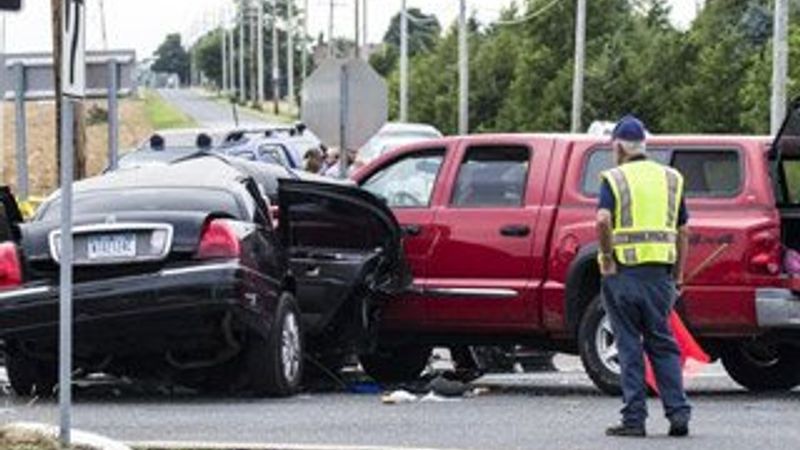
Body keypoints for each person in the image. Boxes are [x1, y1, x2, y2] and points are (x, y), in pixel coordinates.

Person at [596, 115, 692, 438]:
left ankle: (634, 420)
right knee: (663, 344)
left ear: (620, 146)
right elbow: (684, 230)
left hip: (623, 275)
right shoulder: (672, 178)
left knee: (628, 346)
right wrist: (678, 274)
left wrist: (608, 258)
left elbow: (601, 221)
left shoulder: (614, 178)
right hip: (660, 278)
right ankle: (678, 414)